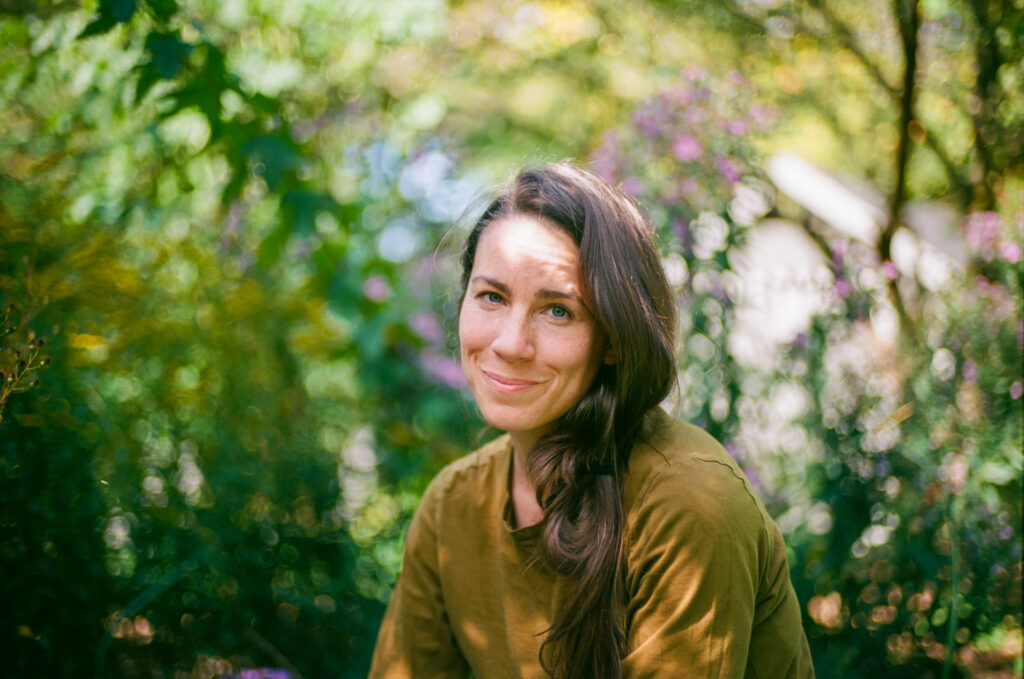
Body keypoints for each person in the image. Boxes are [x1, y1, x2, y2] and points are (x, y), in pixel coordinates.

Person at [368, 163, 814, 679]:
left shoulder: (690, 502)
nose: (510, 343)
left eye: (558, 311)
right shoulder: (452, 508)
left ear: (613, 337)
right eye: (492, 296)